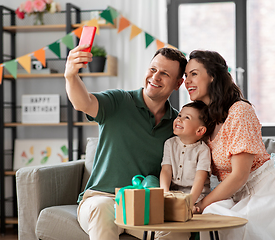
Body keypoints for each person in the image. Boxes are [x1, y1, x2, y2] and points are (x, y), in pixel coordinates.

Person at [184, 49, 275, 240]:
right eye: (185, 76)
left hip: (268, 192)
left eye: (194, 74)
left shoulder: (239, 111)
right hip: (237, 195)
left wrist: (200, 205)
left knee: (242, 227)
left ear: (213, 77)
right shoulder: (207, 121)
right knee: (212, 214)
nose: (186, 81)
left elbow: (240, 175)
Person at [64, 45, 187, 240]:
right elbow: (83, 102)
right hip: (101, 199)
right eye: (153, 69)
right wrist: (71, 75)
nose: (155, 77)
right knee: (102, 207)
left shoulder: (178, 124)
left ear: (178, 83)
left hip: (144, 206)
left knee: (179, 230)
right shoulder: (119, 101)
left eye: (164, 74)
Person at [160, 100, 214, 206]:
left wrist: (190, 202)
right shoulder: (169, 144)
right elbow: (166, 170)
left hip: (196, 196)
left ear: (200, 130)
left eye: (187, 117)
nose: (179, 119)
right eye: (180, 115)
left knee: (188, 211)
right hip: (174, 194)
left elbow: (200, 179)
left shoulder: (203, 150)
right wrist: (165, 193)